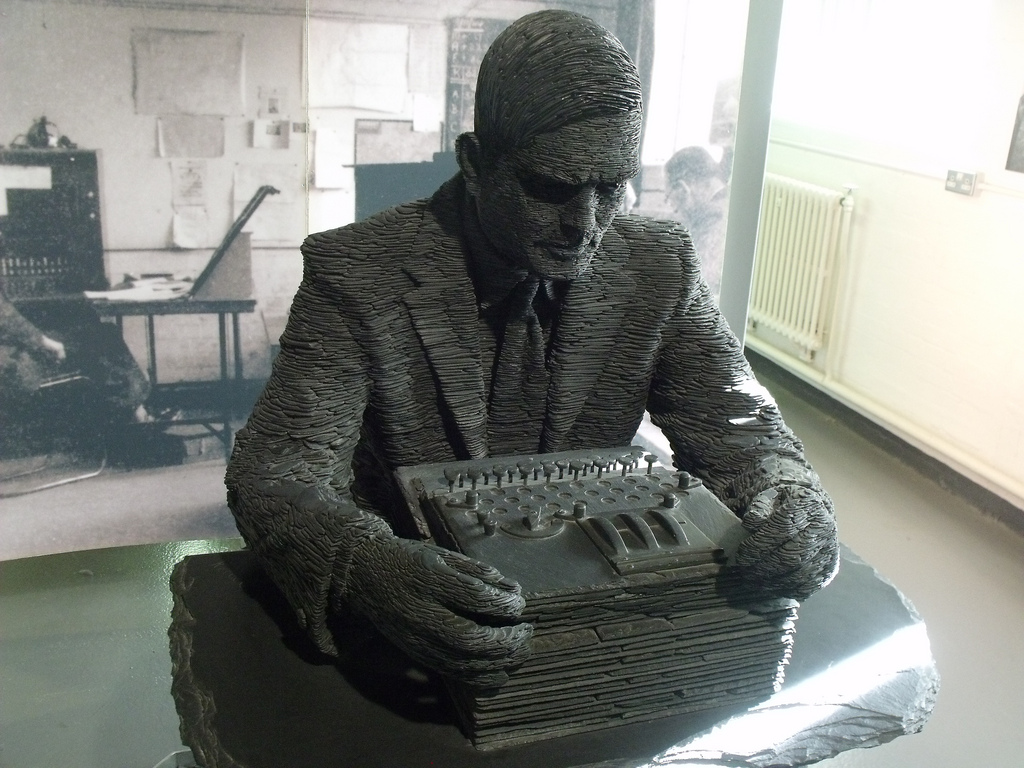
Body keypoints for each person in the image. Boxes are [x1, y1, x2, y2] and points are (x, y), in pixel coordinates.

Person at [227, 10, 839, 690]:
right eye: (551, 187)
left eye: (611, 187)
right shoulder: (358, 273)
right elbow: (277, 473)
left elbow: (740, 426)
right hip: (420, 632)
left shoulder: (660, 266)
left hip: (600, 617)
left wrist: (787, 492)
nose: (584, 224)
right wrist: (365, 570)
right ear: (475, 163)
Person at [665, 146, 730, 296]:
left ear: (682, 188)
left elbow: (694, 284)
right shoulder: (726, 202)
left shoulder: (715, 218)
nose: (676, 211)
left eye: (669, 199)